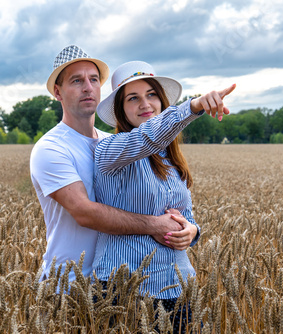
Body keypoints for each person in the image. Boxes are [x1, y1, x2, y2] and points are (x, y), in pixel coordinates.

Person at [30, 46, 199, 283]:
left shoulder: (114, 143)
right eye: (77, 81)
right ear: (58, 92)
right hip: (68, 283)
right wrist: (156, 225)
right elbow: (84, 213)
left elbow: (163, 205)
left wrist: (190, 230)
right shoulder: (51, 148)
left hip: (121, 281)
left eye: (94, 79)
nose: (88, 87)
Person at [92, 60, 235, 332]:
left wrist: (192, 231)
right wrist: (194, 106)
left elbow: (186, 216)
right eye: (133, 98)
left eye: (152, 95)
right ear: (121, 110)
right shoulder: (109, 150)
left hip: (178, 287)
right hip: (124, 289)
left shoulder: (170, 160)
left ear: (161, 100)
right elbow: (147, 138)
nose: (145, 104)